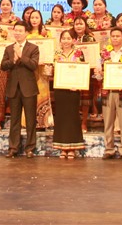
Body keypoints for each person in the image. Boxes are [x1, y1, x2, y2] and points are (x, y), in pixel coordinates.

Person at [1, 21, 39, 157]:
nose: (17, 33)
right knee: (15, 120)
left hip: (28, 88)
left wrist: (21, 56)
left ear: (26, 33)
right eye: (15, 30)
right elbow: (3, 65)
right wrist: (13, 60)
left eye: (20, 31)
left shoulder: (33, 48)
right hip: (13, 88)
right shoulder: (8, 48)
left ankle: (30, 148)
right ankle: (13, 147)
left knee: (30, 120)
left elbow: (34, 65)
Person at [98, 26, 122, 159]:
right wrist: (99, 74)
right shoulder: (103, 54)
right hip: (108, 91)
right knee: (108, 122)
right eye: (113, 36)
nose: (115, 38)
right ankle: (109, 149)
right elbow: (98, 74)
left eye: (118, 36)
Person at [50, 29, 86, 157]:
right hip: (60, 89)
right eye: (63, 38)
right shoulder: (56, 53)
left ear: (73, 40)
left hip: (73, 89)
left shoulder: (78, 53)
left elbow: (82, 71)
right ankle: (62, 147)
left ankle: (72, 148)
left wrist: (78, 86)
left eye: (68, 38)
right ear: (60, 40)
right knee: (61, 117)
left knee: (72, 117)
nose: (66, 41)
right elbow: (52, 71)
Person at [26, 9, 53, 129]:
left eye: (37, 17)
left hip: (42, 69)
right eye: (32, 17)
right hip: (30, 69)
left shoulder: (47, 34)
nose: (34, 20)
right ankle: (29, 122)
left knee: (42, 93)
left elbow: (51, 51)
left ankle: (43, 121)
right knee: (29, 94)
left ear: (41, 19)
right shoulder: (26, 34)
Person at [71, 15, 97, 128]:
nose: (79, 26)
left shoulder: (90, 39)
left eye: (81, 24)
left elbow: (95, 55)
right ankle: (75, 122)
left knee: (86, 99)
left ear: (85, 26)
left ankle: (84, 123)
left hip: (87, 72)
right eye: (76, 24)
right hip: (73, 73)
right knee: (74, 98)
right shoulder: (70, 38)